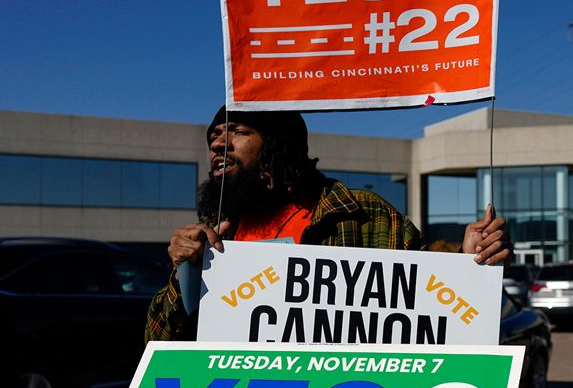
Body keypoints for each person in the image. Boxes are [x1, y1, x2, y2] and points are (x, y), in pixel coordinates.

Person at [146, 106, 510, 341]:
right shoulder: (216, 230)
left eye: (237, 132)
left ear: (277, 145)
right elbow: (158, 344)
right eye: (213, 136)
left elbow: (425, 312)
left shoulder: (360, 214)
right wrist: (185, 276)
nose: (218, 144)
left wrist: (468, 263)